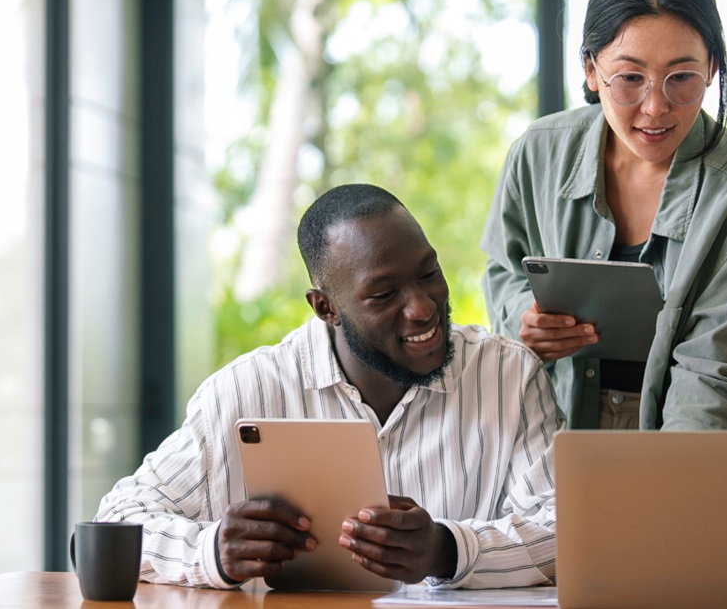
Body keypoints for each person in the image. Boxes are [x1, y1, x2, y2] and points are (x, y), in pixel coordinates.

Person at [93, 184, 564, 590]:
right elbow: (116, 522)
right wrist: (212, 551)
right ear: (325, 308)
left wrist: (446, 549)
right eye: (383, 294)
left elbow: (566, 531)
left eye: (428, 274)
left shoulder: (507, 375)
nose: (423, 308)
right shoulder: (244, 392)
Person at [481, 0, 727, 430]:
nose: (656, 107)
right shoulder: (537, 154)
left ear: (712, 68)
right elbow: (504, 269)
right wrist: (524, 318)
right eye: (630, 78)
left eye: (681, 77)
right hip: (544, 419)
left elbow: (714, 369)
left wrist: (667, 478)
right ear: (591, 70)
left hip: (684, 427)